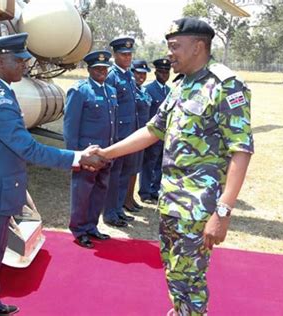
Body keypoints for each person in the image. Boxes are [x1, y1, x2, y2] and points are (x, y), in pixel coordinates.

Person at [94, 18, 254, 315]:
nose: (170, 54)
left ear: (198, 46)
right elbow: (153, 130)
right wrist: (106, 153)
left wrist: (223, 211)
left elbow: (241, 151)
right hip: (171, 202)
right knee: (174, 270)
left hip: (198, 206)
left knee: (190, 277)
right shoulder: (181, 86)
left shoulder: (225, 85)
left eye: (175, 47)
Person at [0, 33, 107, 316]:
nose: (25, 64)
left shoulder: (2, 89)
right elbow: (29, 149)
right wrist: (77, 157)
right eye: (18, 60)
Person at [63, 50, 117, 248]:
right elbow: (70, 127)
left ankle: (92, 226)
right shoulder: (80, 91)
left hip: (106, 153)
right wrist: (76, 157)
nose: (102, 72)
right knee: (82, 192)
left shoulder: (110, 91)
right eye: (97, 69)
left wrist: (113, 150)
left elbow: (113, 124)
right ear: (89, 69)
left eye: (104, 69)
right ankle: (79, 230)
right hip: (87, 156)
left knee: (100, 191)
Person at [103, 36, 138, 227]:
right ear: (115, 55)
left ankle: (118, 209)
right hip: (117, 135)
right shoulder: (111, 76)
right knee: (114, 174)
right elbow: (110, 108)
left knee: (124, 173)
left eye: (130, 54)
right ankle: (109, 213)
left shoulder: (129, 75)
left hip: (130, 134)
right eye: (123, 54)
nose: (127, 57)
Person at [139, 58, 171, 204]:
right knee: (148, 163)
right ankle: (144, 193)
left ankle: (155, 190)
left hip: (165, 135)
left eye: (167, 72)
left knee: (160, 164)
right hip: (152, 134)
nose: (164, 74)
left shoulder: (170, 91)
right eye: (161, 71)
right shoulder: (149, 89)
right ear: (156, 72)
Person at [123, 59, 153, 212]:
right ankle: (125, 200)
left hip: (142, 134)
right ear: (132, 73)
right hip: (132, 134)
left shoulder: (143, 90)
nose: (141, 76)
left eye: (144, 74)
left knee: (136, 169)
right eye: (138, 73)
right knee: (129, 169)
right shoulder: (131, 90)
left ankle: (130, 198)